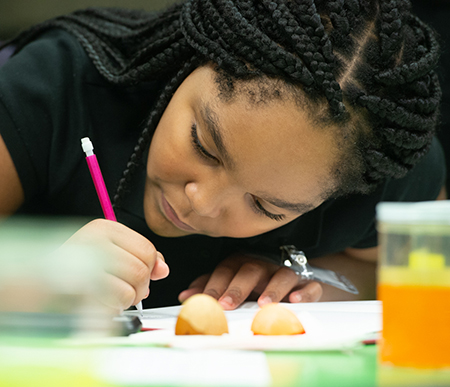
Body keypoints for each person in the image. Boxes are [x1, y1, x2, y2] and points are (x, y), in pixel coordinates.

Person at [0, 0, 445, 312]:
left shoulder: (381, 158)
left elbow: (408, 283)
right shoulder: (54, 90)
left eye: (265, 206)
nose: (201, 202)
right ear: (197, 57)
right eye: (203, 145)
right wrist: (35, 275)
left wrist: (315, 281)